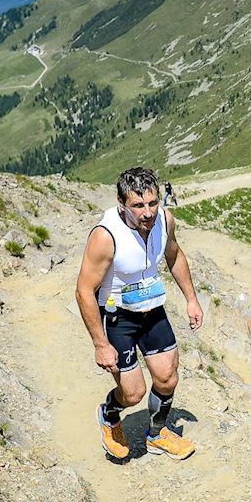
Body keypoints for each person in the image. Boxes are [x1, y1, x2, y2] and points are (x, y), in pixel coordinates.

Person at [75, 167, 203, 462]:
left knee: (168, 377)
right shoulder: (105, 237)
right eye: (138, 205)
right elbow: (83, 291)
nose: (148, 213)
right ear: (121, 203)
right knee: (133, 394)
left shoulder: (165, 220)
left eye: (152, 203)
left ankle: (157, 434)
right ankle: (109, 414)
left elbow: (173, 254)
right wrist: (100, 344)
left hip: (152, 309)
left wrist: (192, 299)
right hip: (118, 316)